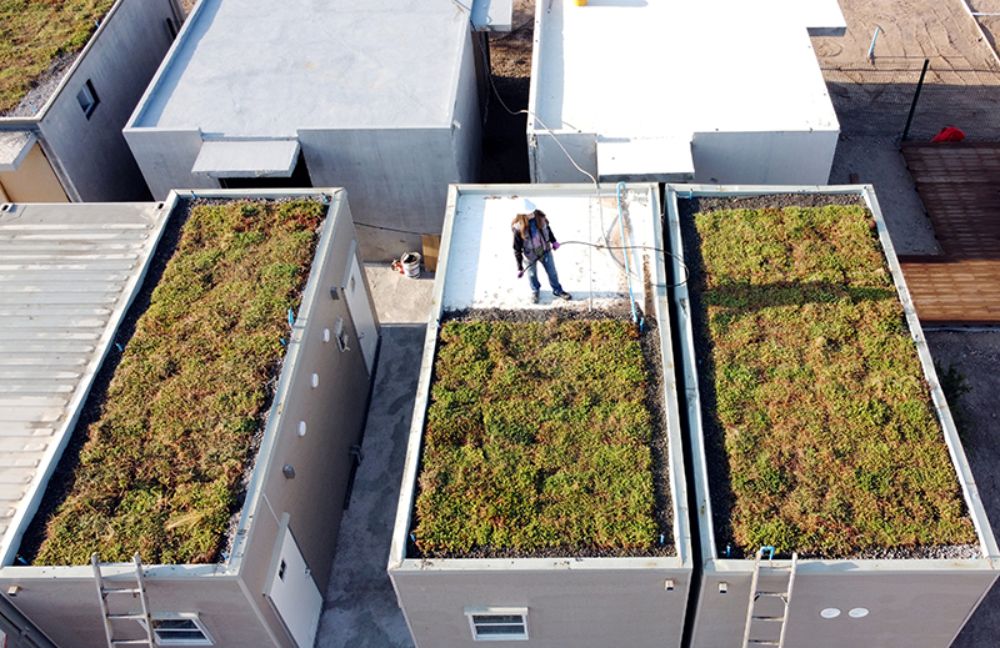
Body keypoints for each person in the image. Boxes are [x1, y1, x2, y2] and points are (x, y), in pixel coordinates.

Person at [512, 200, 571, 304]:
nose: (532, 214)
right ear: (522, 215)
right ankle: (535, 291)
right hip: (530, 255)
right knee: (532, 275)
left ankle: (557, 290)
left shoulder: (541, 218)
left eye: (532, 211)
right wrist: (520, 267)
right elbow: (517, 249)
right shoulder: (518, 228)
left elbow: (548, 230)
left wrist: (554, 241)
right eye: (528, 213)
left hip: (545, 251)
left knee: (552, 272)